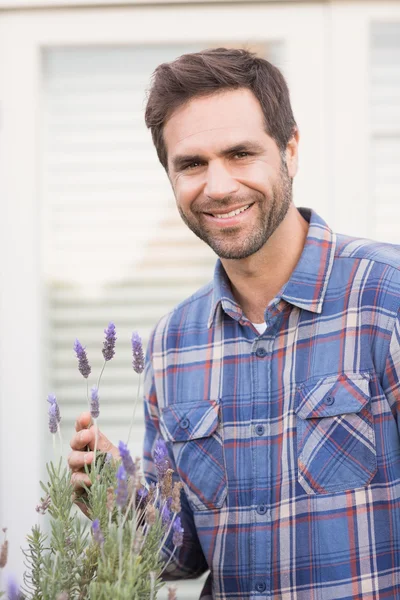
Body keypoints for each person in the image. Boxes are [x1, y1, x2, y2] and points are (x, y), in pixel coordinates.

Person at [68, 48, 400, 599]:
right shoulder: (172, 344)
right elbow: (180, 556)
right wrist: (118, 496)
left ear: (290, 151)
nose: (218, 186)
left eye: (241, 153)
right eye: (191, 164)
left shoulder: (387, 297)